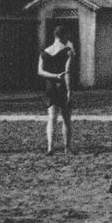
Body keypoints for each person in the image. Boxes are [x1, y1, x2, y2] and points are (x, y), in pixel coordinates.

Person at [38, 25, 74, 154]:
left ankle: (50, 147)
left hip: (49, 87)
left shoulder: (44, 52)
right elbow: (67, 73)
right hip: (62, 86)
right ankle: (67, 147)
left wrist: (53, 76)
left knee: (51, 118)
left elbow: (40, 71)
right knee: (66, 119)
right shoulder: (68, 51)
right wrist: (69, 90)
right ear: (64, 36)